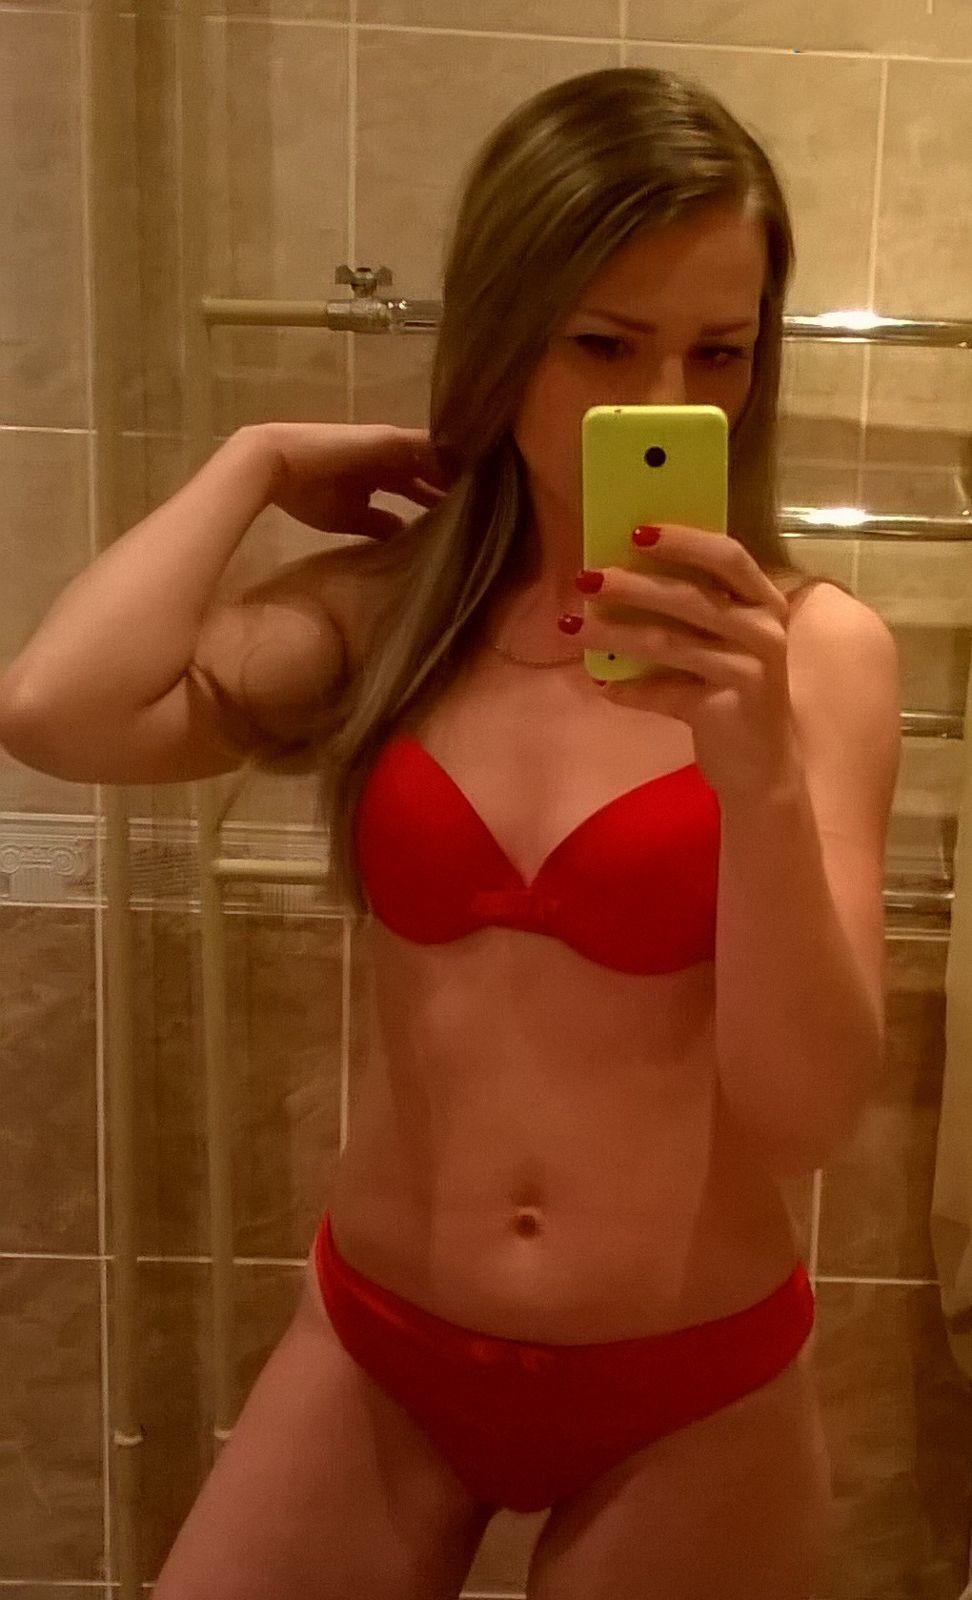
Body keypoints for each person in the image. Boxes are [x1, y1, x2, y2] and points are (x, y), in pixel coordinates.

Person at [0, 66, 901, 1600]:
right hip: (382, 1353)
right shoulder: (389, 612)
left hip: (690, 1389)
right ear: (501, 334)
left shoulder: (815, 659)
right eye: (604, 343)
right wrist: (253, 464)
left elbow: (803, 1119)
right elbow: (54, 711)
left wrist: (755, 780)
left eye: (720, 351)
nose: (666, 405)